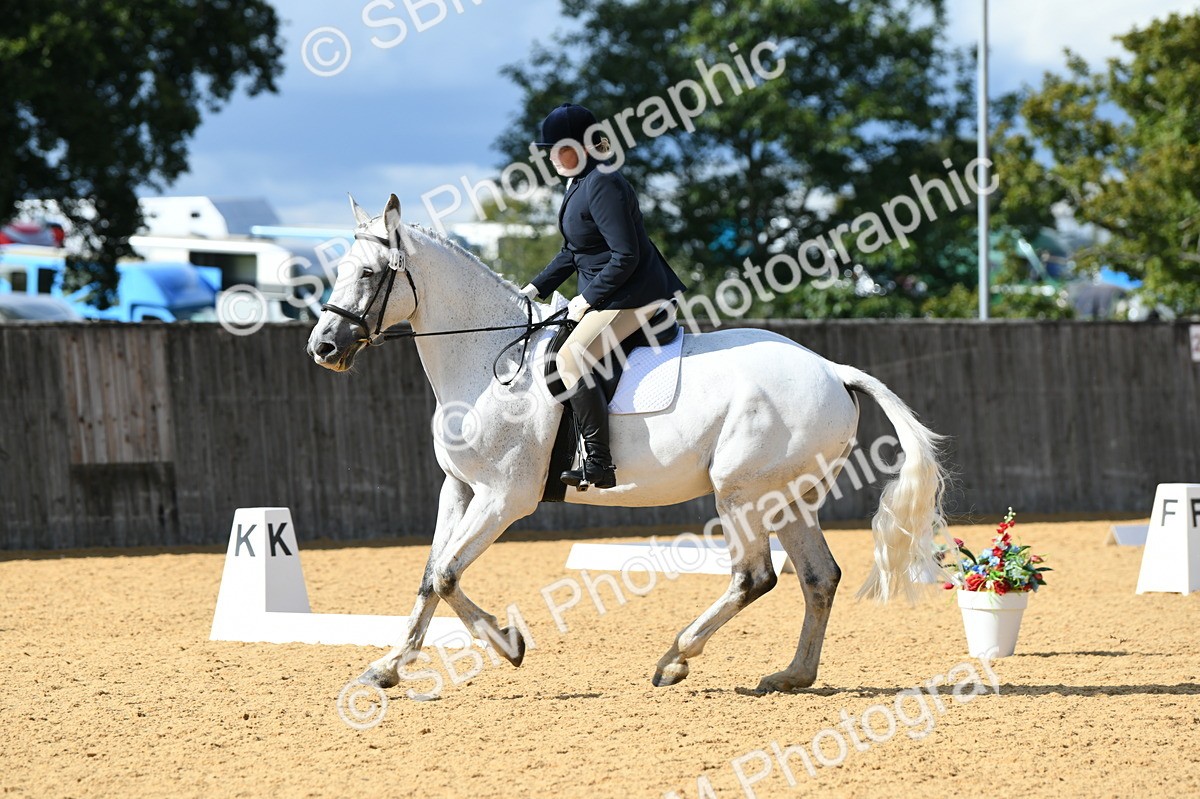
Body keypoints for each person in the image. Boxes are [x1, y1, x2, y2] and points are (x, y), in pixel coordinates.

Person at [520, 103, 687, 489]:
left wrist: (585, 299)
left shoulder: (602, 183)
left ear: (582, 146)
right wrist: (534, 288)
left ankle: (599, 462)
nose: (550, 156)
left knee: (570, 358)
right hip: (611, 295)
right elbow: (574, 252)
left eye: (557, 148)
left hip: (635, 297)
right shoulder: (580, 181)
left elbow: (625, 254)